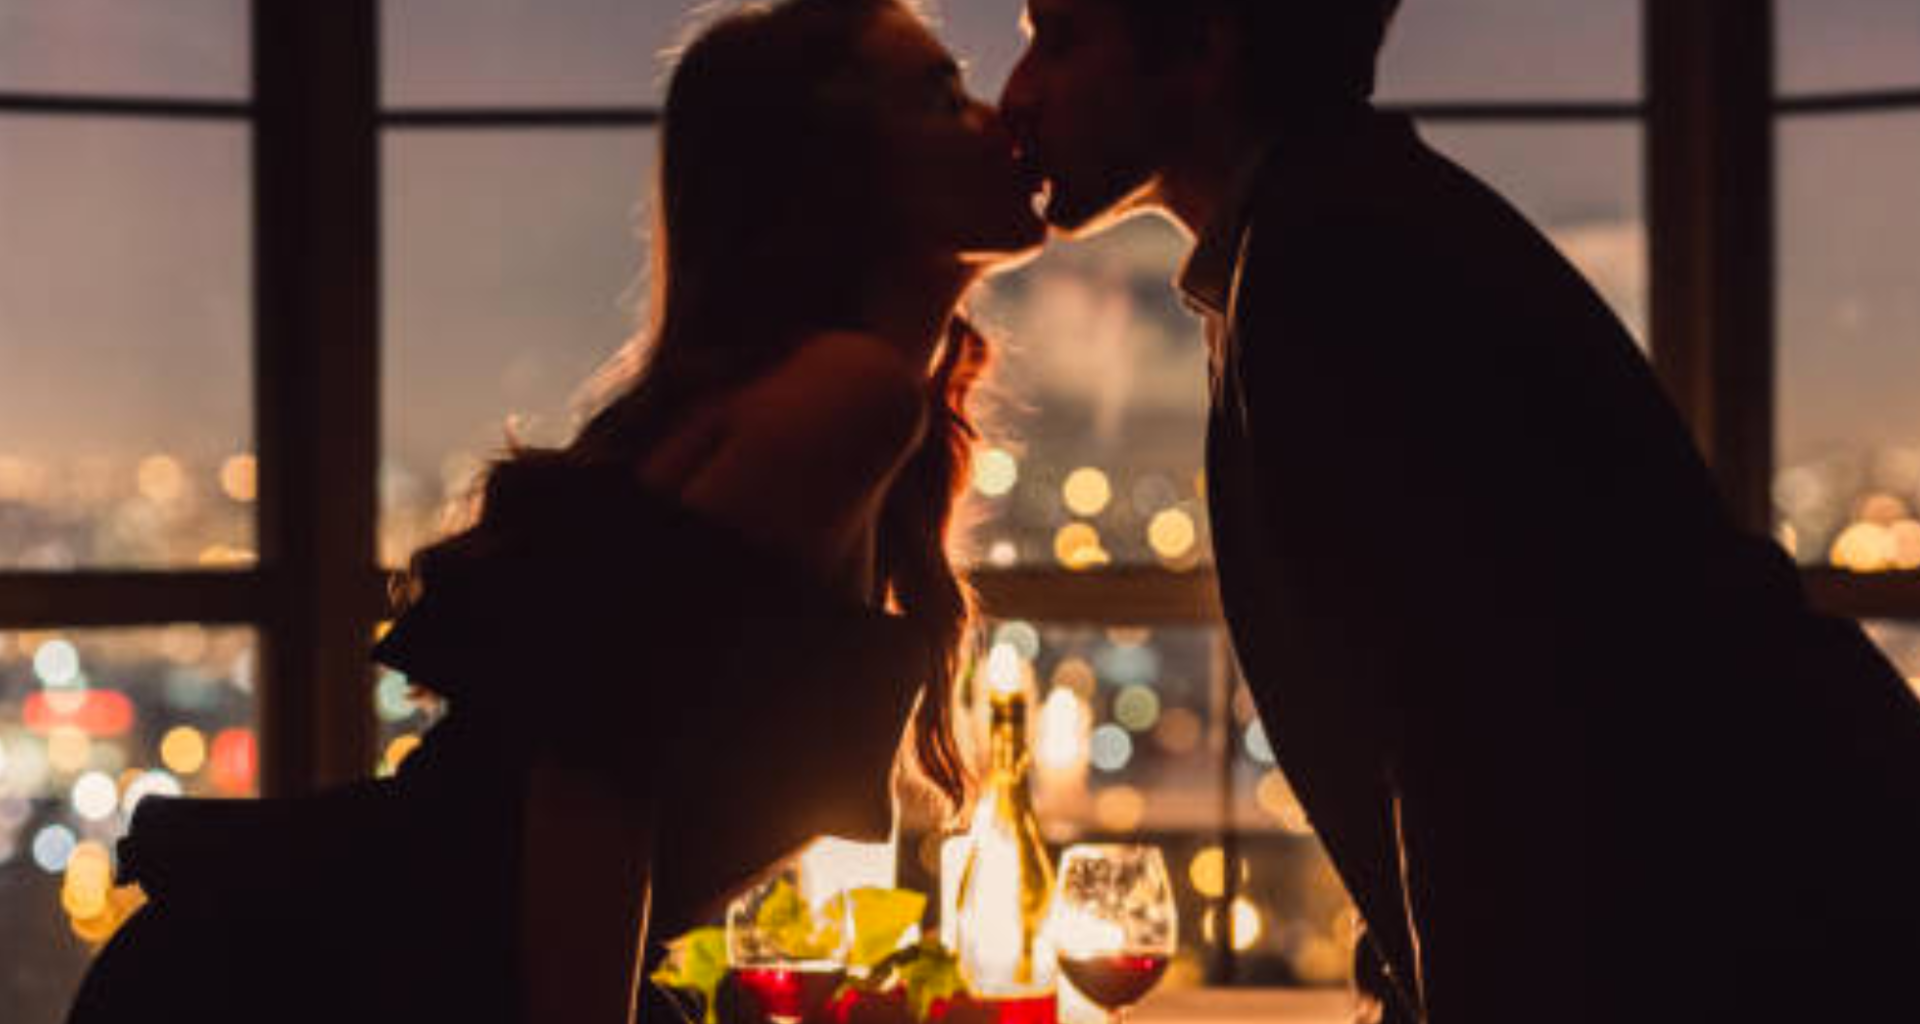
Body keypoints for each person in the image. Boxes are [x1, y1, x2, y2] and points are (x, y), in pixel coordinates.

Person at [65, 2, 1042, 1022]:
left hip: (339, 964)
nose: (993, 117)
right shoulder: (848, 398)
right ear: (834, 169)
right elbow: (598, 766)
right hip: (315, 982)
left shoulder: (841, 406)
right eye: (939, 95)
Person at [1000, 1, 1920, 1020]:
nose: (1018, 91)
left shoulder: (1328, 262)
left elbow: (1477, 750)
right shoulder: (1344, 223)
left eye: (1064, 37)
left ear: (1205, 45)